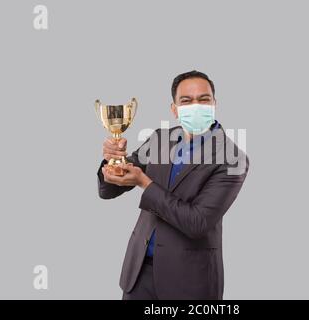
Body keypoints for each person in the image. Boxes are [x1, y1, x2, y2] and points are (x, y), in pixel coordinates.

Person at [97, 70, 249, 299]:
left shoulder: (232, 158)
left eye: (203, 99)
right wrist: (112, 162)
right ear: (174, 109)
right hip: (138, 275)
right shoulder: (159, 139)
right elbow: (109, 190)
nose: (195, 105)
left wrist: (144, 183)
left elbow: (197, 222)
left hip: (189, 281)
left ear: (214, 103)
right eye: (186, 101)